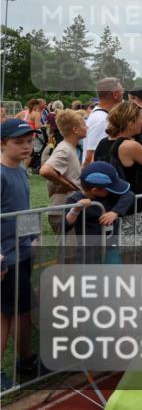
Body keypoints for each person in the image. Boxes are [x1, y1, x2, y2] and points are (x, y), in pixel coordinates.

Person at [1, 119, 43, 391]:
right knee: (4, 317)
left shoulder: (21, 171)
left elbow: (24, 208)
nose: (27, 146)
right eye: (19, 142)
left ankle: (26, 359)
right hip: (6, 257)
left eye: (29, 141)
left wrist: (33, 236)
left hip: (22, 251)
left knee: (23, 312)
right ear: (2, 143)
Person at [104, 102, 142, 252]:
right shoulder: (130, 145)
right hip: (130, 210)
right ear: (130, 123)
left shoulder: (106, 143)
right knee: (135, 260)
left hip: (112, 207)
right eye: (139, 118)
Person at [63, 161, 135, 263]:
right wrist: (76, 209)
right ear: (95, 190)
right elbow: (66, 224)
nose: (114, 190)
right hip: (88, 250)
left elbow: (129, 195)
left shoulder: (110, 195)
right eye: (110, 188)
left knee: (114, 274)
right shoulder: (75, 199)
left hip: (111, 247)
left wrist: (115, 212)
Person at [40, 110, 87, 234]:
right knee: (68, 252)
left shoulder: (69, 148)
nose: (87, 127)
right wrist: (67, 185)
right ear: (75, 129)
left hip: (67, 208)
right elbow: (45, 170)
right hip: (62, 210)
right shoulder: (64, 149)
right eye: (84, 124)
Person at [84, 77, 124, 166]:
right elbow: (91, 156)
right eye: (122, 91)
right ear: (115, 95)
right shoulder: (102, 120)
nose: (123, 95)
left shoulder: (100, 115)